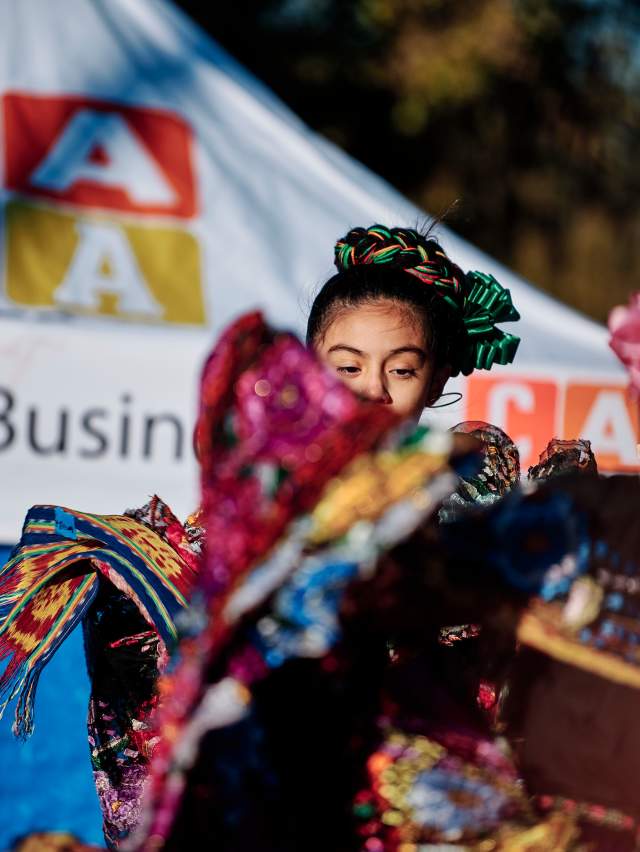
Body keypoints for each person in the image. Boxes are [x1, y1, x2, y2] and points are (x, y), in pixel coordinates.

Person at [307, 223, 521, 419]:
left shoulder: (472, 461)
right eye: (349, 368)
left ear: (436, 384)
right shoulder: (274, 461)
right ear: (305, 370)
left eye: (401, 371)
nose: (374, 391)